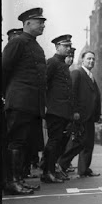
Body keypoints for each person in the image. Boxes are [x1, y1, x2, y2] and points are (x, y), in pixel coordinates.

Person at [2, 7, 47, 195]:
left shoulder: (35, 45)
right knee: (16, 142)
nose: (43, 25)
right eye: (40, 21)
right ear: (27, 23)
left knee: (25, 143)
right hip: (19, 101)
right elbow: (4, 69)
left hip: (31, 104)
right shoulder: (18, 42)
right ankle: (12, 182)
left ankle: (19, 179)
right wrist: (6, 94)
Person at [57, 51, 102, 178]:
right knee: (77, 143)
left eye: (93, 59)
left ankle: (84, 169)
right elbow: (71, 93)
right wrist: (74, 111)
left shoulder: (90, 76)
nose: (91, 61)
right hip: (80, 116)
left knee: (88, 144)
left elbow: (95, 97)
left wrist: (97, 115)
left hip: (90, 117)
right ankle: (61, 166)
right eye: (88, 59)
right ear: (82, 60)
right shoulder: (77, 73)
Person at [40, 34, 73, 184]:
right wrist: (47, 105)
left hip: (63, 111)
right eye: (65, 46)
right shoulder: (52, 62)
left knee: (58, 142)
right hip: (55, 110)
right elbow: (43, 84)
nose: (68, 48)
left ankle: (49, 170)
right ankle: (48, 172)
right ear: (57, 46)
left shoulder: (63, 65)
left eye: (69, 45)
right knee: (54, 142)